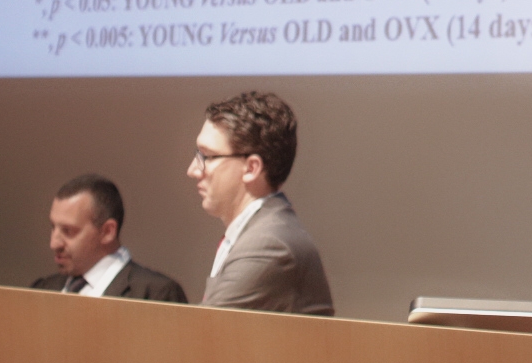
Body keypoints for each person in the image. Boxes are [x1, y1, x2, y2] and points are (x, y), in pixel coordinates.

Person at [189, 90, 333, 315]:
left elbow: (203, 330)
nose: (193, 170)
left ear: (252, 168)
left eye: (207, 156)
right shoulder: (261, 232)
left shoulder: (269, 244)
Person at [30, 173, 186, 302]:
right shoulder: (42, 289)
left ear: (107, 232)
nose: (54, 243)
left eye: (68, 231)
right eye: (53, 227)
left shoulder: (155, 294)